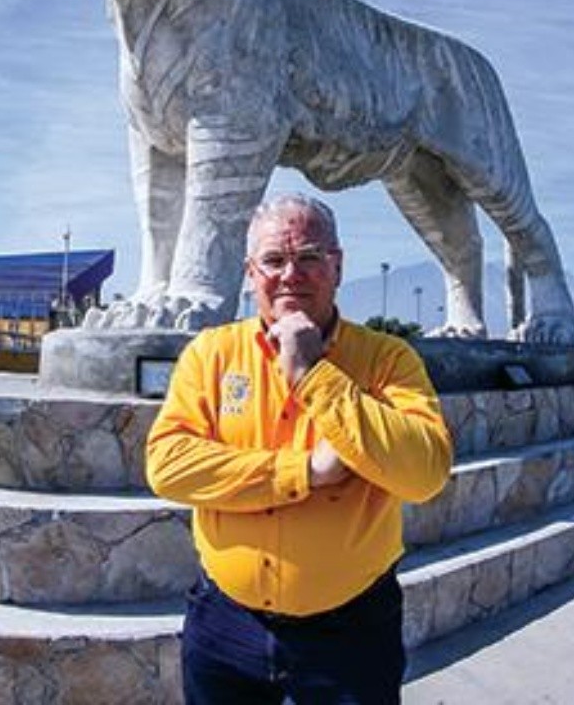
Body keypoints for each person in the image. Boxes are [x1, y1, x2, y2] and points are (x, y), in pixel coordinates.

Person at [146, 193, 452, 704]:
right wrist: (305, 471)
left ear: (336, 266)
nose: (291, 274)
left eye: (309, 257)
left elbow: (423, 474)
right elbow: (168, 466)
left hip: (350, 632)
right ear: (250, 272)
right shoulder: (212, 354)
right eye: (273, 260)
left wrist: (314, 375)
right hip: (224, 625)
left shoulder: (387, 359)